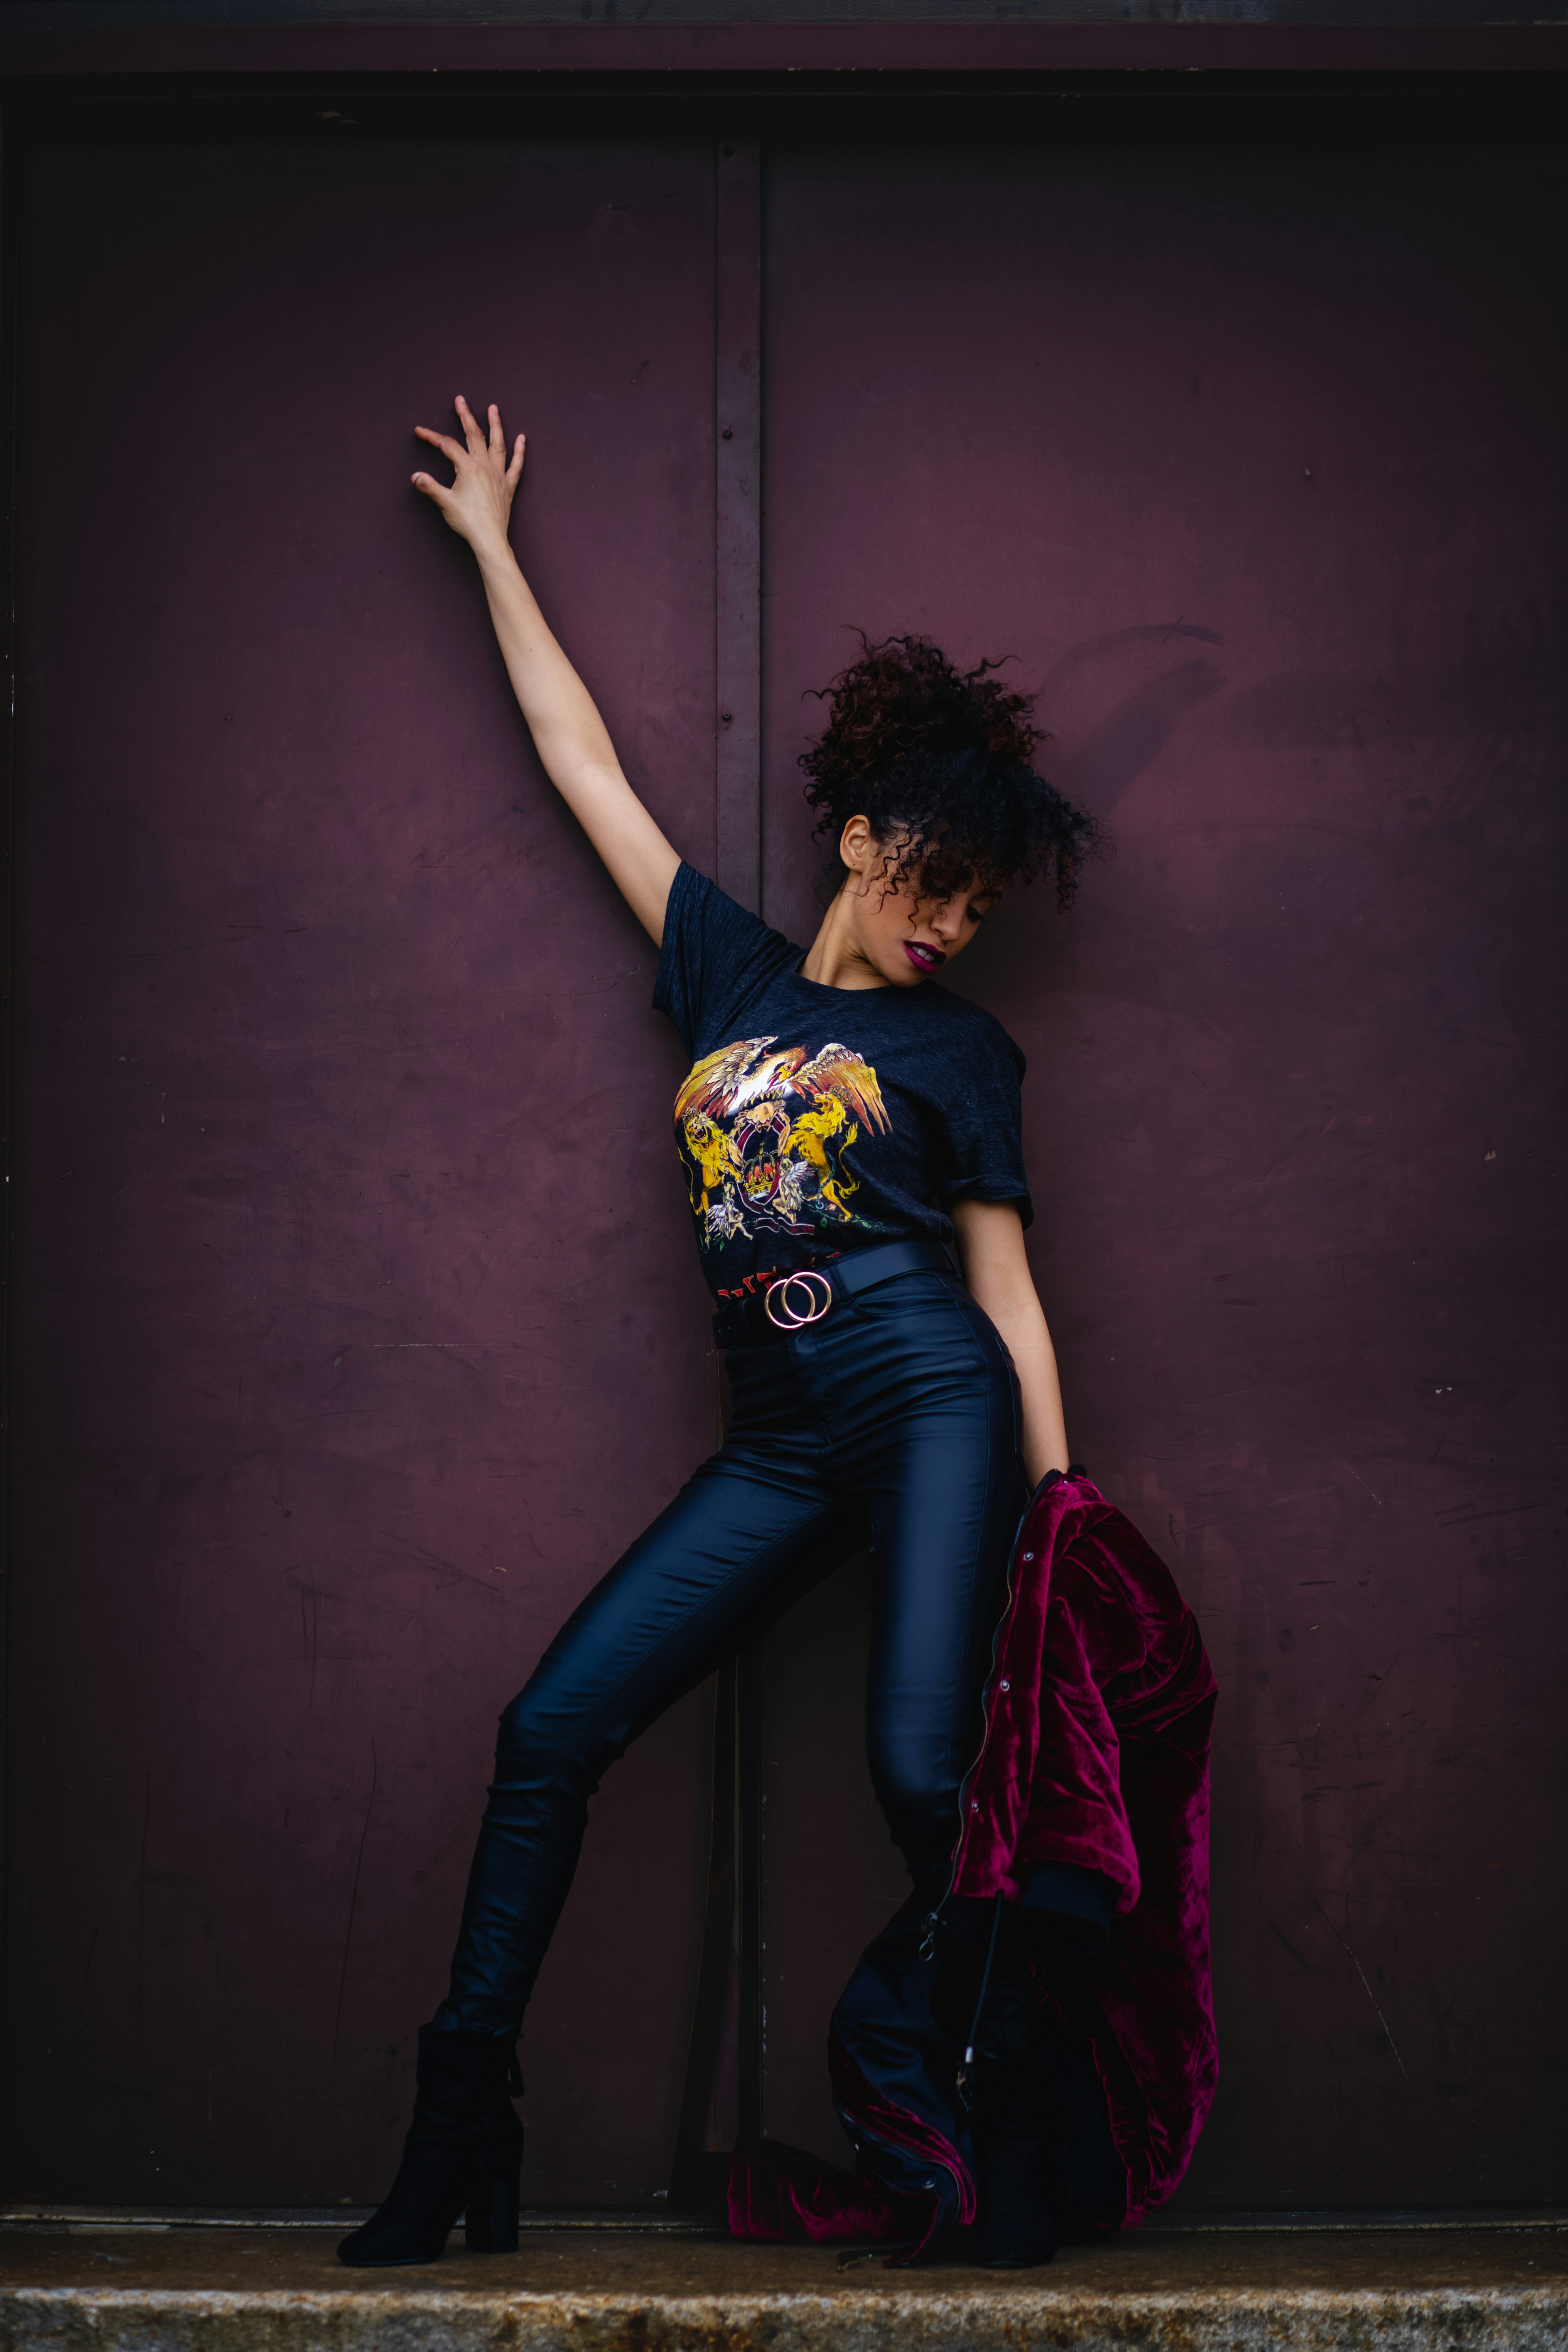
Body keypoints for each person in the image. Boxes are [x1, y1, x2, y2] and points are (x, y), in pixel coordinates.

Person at [338, 395, 1101, 2270]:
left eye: (984, 908)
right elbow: (580, 763)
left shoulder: (963, 1055)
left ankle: (981, 2122)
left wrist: (1065, 1510)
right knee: (549, 1728)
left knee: (928, 1779)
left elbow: (1003, 1293)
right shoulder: (728, 972)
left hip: (928, 1398)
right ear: (859, 841)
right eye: (937, 881)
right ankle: (461, 2128)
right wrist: (497, 550)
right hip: (774, 1435)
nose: (956, 924)